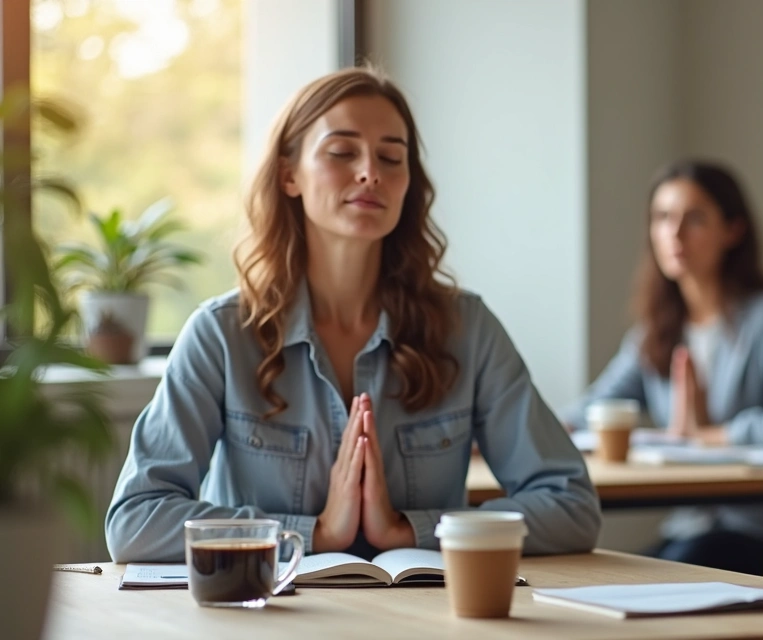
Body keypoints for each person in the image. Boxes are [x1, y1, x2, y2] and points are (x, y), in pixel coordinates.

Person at [105, 67, 601, 562]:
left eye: (391, 157)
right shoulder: (220, 334)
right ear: (289, 175)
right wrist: (312, 534)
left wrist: (409, 531)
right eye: (342, 152)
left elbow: (571, 505)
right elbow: (135, 521)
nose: (371, 172)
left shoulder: (468, 330)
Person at [564, 160, 763, 575]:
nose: (674, 234)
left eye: (693, 218)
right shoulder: (655, 332)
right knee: (599, 576)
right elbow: (587, 410)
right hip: (684, 525)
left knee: (656, 578)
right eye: (662, 218)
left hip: (754, 531)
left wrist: (708, 436)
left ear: (732, 230)